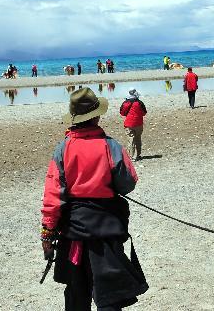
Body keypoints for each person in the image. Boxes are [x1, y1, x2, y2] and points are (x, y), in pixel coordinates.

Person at [41, 87, 148, 310]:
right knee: (109, 295)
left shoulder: (63, 149)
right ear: (96, 115)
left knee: (76, 293)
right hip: (107, 230)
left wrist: (47, 235)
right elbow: (128, 183)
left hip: (74, 231)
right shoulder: (111, 146)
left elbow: (52, 195)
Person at [119, 89, 147, 160]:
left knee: (131, 140)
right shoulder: (139, 103)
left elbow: (122, 113)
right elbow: (144, 113)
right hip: (138, 123)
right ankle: (137, 155)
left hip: (129, 124)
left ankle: (131, 157)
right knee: (138, 138)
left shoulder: (125, 103)